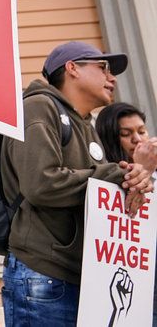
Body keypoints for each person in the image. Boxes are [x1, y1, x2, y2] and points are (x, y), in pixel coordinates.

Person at [1, 41, 156, 324]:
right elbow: (41, 184)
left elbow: (98, 189)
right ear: (72, 68)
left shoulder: (87, 127)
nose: (112, 78)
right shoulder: (37, 106)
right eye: (103, 68)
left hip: (80, 277)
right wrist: (115, 175)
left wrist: (135, 182)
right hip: (43, 275)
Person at [96, 102, 157, 327]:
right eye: (126, 134)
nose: (138, 140)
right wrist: (143, 169)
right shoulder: (106, 178)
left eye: (141, 131)